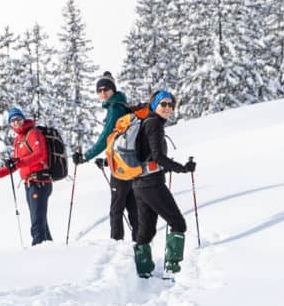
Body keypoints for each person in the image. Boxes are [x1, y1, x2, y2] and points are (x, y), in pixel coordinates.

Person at [125, 90, 195, 280]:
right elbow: (158, 156)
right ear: (154, 104)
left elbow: (148, 156)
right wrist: (182, 168)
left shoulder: (146, 122)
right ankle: (173, 269)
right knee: (178, 223)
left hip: (139, 183)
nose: (167, 108)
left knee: (146, 231)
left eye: (170, 105)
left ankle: (143, 272)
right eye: (163, 103)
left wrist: (166, 167)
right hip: (151, 184)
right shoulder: (154, 123)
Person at [73, 72, 140, 242]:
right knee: (132, 206)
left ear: (113, 90)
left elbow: (105, 138)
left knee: (116, 209)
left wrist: (85, 156)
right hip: (129, 163)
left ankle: (116, 245)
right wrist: (106, 160)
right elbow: (118, 139)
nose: (102, 93)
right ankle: (140, 244)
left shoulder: (115, 108)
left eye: (106, 89)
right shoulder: (122, 105)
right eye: (99, 90)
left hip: (121, 168)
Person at [0, 106, 53, 245]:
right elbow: (14, 165)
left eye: (18, 119)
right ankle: (50, 250)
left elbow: (40, 155)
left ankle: (38, 253)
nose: (15, 122)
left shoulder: (33, 133)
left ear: (23, 119)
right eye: (12, 120)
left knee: (37, 224)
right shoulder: (18, 140)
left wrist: (18, 162)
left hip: (40, 182)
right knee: (41, 222)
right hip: (30, 184)